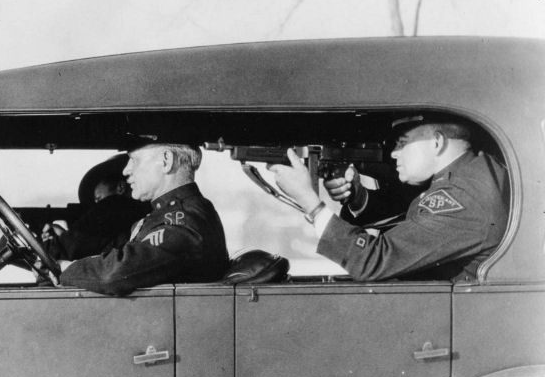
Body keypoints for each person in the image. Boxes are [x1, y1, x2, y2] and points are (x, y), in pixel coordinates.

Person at [268, 114, 509, 281]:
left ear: (437, 142)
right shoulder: (473, 173)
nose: (394, 153)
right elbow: (418, 219)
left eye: (403, 143)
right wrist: (358, 197)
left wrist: (309, 202)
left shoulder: (462, 197)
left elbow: (372, 261)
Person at [57, 137, 229, 295]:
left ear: (166, 161)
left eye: (134, 160)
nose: (126, 170)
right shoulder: (176, 212)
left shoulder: (182, 220)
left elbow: (115, 274)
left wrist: (66, 268)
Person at [40, 154, 150, 261]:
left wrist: (50, 244)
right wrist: (64, 236)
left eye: (99, 199)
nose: (97, 206)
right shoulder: (141, 213)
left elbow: (72, 245)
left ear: (120, 188)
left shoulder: (113, 205)